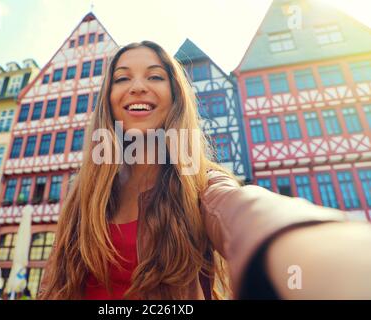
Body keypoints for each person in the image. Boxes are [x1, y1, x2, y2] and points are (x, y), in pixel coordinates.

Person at [38, 40, 371, 300]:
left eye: (155, 76)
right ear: (108, 99)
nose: (137, 86)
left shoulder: (200, 182)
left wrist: (299, 239)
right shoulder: (83, 193)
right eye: (122, 78)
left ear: (175, 98)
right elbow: (53, 283)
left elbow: (243, 211)